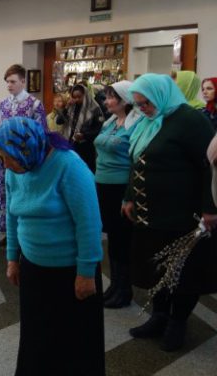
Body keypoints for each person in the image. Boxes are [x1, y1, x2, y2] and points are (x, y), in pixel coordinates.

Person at [0, 117, 104, 376]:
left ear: (28, 147)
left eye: (9, 157)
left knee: (75, 344)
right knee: (36, 338)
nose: (5, 164)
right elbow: (13, 216)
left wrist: (86, 273)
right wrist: (12, 259)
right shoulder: (16, 169)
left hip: (70, 272)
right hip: (34, 268)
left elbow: (89, 222)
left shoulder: (69, 166)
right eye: (1, 158)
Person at [122, 74, 217, 352]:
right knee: (155, 269)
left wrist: (210, 208)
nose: (143, 109)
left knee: (184, 273)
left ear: (161, 95)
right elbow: (137, 161)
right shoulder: (149, 121)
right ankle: (159, 316)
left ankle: (178, 322)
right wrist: (129, 196)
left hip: (182, 216)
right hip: (150, 216)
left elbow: (210, 168)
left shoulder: (190, 121)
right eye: (138, 104)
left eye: (147, 103)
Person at [0, 64, 47, 247]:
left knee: (25, 197)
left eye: (12, 81)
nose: (9, 85)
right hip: (4, 163)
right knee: (7, 196)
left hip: (26, 165)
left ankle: (26, 235)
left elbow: (42, 134)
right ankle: (10, 236)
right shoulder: (2, 105)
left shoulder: (34, 104)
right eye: (7, 82)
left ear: (23, 81)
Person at [94, 81, 141, 309]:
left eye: (111, 97)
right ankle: (115, 285)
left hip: (121, 187)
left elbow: (136, 161)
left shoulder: (136, 124)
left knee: (122, 239)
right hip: (103, 186)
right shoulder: (111, 121)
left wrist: (129, 195)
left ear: (124, 100)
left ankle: (124, 290)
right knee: (113, 237)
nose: (106, 101)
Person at [64, 83, 104, 172]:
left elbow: (98, 129)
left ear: (85, 95)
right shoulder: (72, 107)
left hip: (87, 147)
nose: (77, 99)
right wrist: (66, 107)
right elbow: (59, 121)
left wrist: (84, 135)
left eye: (79, 97)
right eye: (74, 97)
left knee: (86, 170)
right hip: (72, 144)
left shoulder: (94, 108)